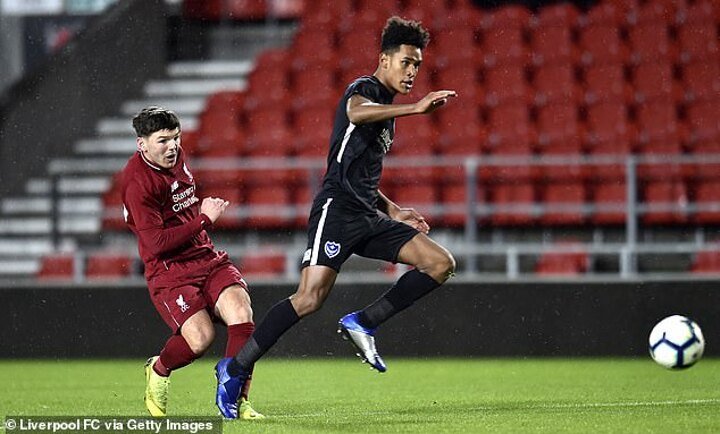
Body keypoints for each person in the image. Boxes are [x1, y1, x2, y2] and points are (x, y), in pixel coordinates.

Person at [214, 16, 457, 418]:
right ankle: (234, 369)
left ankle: (364, 322)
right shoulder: (364, 90)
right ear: (384, 59)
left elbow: (359, 171)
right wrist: (416, 108)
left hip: (368, 214)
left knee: (440, 263)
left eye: (417, 65)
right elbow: (356, 112)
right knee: (309, 298)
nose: (413, 72)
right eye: (406, 62)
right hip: (337, 210)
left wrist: (393, 209)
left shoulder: (387, 112)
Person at [118, 106, 264, 420]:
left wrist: (198, 223)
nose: (172, 146)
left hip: (205, 256)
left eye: (176, 137)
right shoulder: (137, 182)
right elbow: (156, 244)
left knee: (241, 312)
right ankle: (159, 369)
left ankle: (237, 399)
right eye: (162, 141)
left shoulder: (177, 157)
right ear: (142, 144)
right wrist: (203, 219)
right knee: (200, 339)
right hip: (169, 270)